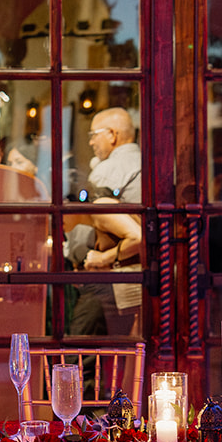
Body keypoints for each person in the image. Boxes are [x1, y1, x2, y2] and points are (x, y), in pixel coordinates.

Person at [66, 107, 143, 337]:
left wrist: (101, 257)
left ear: (112, 134)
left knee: (80, 349)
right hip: (128, 278)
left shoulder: (108, 171)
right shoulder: (144, 161)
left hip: (116, 278)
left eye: (94, 135)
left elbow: (136, 235)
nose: (90, 142)